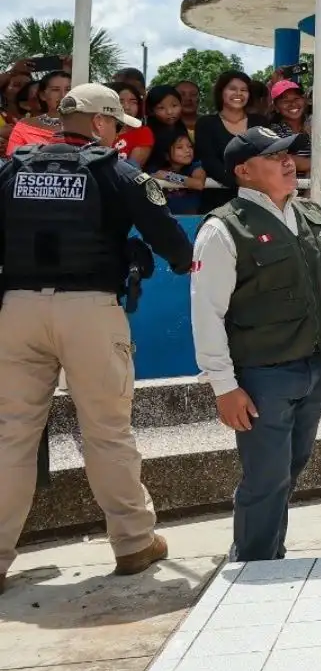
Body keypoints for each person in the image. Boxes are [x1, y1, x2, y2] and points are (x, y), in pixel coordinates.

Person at [0, 85, 194, 590]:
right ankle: (133, 543)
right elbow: (171, 239)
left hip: (16, 309)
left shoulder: (13, 168)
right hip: (89, 310)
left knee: (11, 434)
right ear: (102, 123)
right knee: (106, 431)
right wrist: (176, 261)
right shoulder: (116, 172)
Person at [188, 127, 321, 561]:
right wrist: (224, 387)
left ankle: (267, 554)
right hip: (262, 375)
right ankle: (252, 564)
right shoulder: (224, 228)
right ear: (243, 171)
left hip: (312, 366)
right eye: (273, 156)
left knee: (290, 468)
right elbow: (206, 313)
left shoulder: (311, 216)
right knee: (266, 477)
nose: (287, 162)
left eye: (287, 154)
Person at [195, 70, 259, 211]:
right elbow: (209, 162)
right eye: (232, 89)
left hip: (257, 200)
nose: (238, 93)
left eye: (244, 90)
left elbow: (267, 157)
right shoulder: (206, 123)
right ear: (221, 92)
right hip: (217, 202)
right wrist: (241, 183)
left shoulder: (260, 122)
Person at [145, 127, 206, 214]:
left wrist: (168, 176)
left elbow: (199, 184)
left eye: (190, 146)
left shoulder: (195, 166)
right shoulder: (155, 169)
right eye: (179, 147)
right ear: (166, 155)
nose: (187, 150)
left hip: (191, 218)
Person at [265, 79, 313, 175]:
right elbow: (282, 159)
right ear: (276, 108)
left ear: (304, 100)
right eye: (285, 101)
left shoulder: (316, 124)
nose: (293, 103)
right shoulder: (273, 131)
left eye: (296, 98)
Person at [110, 82, 155, 165]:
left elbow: (132, 168)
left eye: (133, 102)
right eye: (120, 102)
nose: (126, 107)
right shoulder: (106, 129)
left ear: (139, 106)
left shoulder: (143, 132)